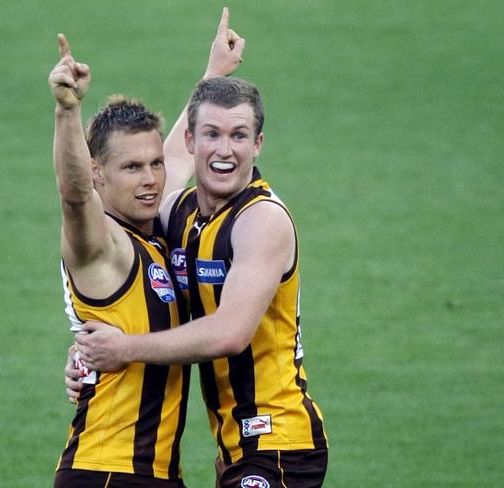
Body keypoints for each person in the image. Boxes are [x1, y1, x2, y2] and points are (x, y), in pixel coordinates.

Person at [73, 76, 329, 488]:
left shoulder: (261, 220)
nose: (225, 150)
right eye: (212, 134)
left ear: (257, 144)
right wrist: (87, 350)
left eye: (239, 135)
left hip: (280, 443)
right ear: (191, 142)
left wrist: (123, 348)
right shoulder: (181, 214)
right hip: (235, 449)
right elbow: (128, 204)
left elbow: (229, 334)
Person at [49, 9, 244, 487]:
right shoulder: (102, 246)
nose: (152, 180)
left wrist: (213, 73)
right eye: (132, 168)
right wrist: (67, 112)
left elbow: (177, 152)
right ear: (98, 173)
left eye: (154, 165)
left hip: (155, 475)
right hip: (106, 473)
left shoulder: (151, 227)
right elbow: (74, 197)